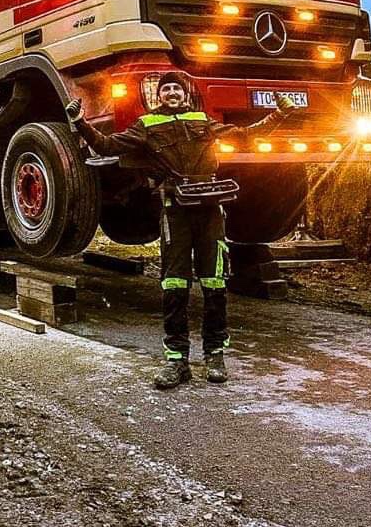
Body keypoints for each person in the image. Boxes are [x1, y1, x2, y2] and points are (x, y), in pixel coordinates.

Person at [65, 72, 297, 388]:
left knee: (214, 282)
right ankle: (177, 361)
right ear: (160, 96)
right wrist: (80, 121)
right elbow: (106, 146)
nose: (172, 93)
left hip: (210, 208)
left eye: (177, 88)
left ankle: (215, 355)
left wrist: (279, 115)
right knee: (174, 283)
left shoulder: (203, 120)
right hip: (175, 211)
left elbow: (245, 135)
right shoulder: (146, 125)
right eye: (166, 89)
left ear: (185, 95)